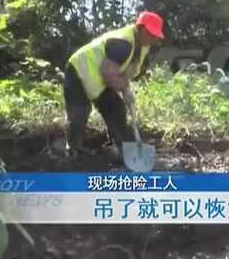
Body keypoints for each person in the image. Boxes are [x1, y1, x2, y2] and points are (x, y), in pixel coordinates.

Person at [63, 11, 165, 159]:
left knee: (116, 110)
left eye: (156, 36)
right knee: (79, 112)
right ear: (140, 28)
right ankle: (73, 152)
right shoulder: (123, 43)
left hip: (100, 79)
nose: (154, 38)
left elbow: (123, 70)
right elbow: (108, 70)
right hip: (78, 71)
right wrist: (123, 88)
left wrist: (127, 89)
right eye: (151, 34)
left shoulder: (142, 46)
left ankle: (120, 149)